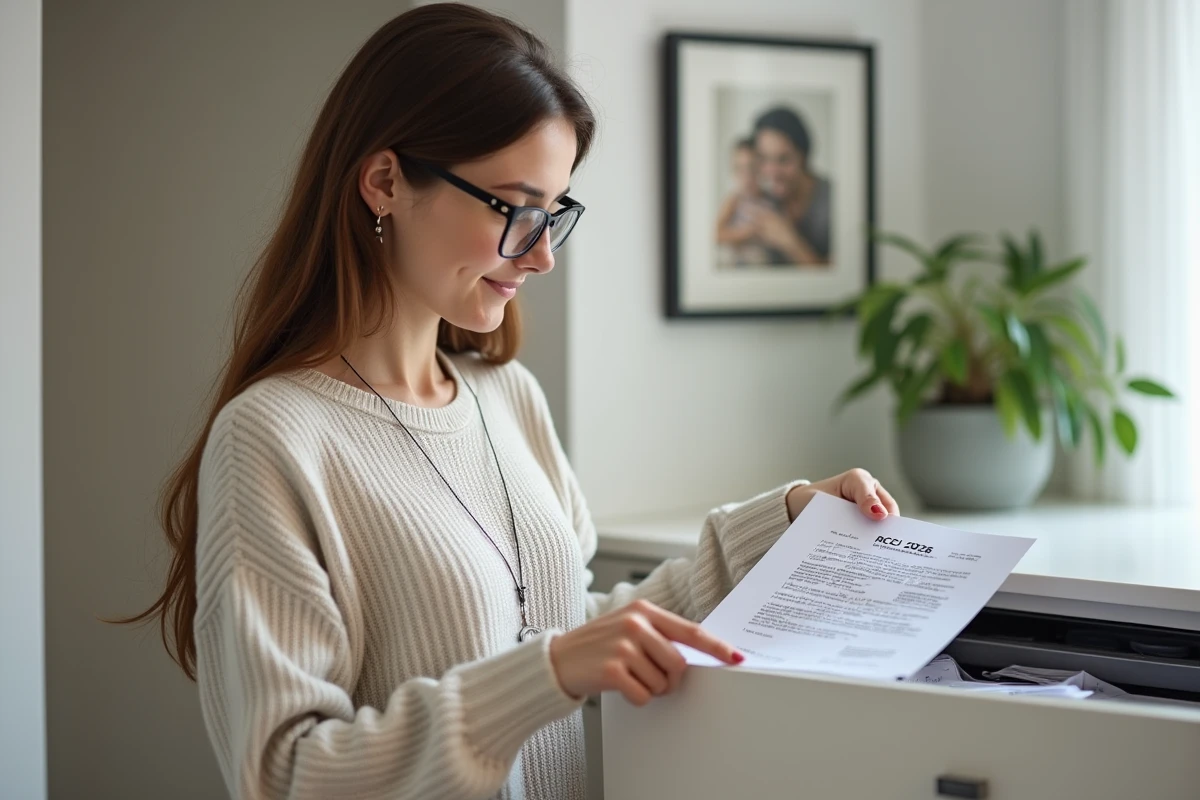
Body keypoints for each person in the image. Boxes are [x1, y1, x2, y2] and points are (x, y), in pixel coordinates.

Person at [119, 5, 898, 799]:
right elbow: (284, 774)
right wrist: (545, 675)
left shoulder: (506, 397)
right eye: (514, 208)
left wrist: (782, 527)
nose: (543, 255)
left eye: (554, 211)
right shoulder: (273, 439)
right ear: (384, 182)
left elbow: (564, 627)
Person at [752, 105, 834, 266]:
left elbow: (844, 280)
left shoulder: (834, 201)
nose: (772, 172)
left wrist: (789, 242)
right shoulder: (762, 199)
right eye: (763, 158)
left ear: (803, 157)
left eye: (783, 159)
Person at [714, 136, 774, 266]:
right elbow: (716, 234)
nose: (747, 176)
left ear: (763, 169)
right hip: (739, 261)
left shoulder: (770, 199)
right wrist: (747, 233)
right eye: (739, 169)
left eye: (753, 168)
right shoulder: (734, 200)